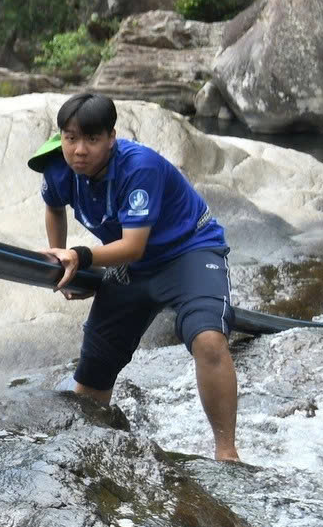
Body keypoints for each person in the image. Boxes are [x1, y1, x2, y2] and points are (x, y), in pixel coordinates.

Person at [30, 92, 239, 461]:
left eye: (92, 140)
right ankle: (93, 446)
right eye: (71, 138)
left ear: (112, 137)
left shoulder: (139, 168)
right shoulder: (58, 168)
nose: (79, 150)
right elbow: (53, 206)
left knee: (208, 339)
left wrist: (80, 256)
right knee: (94, 369)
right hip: (132, 267)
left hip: (187, 251)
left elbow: (133, 246)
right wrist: (60, 257)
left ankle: (226, 452)